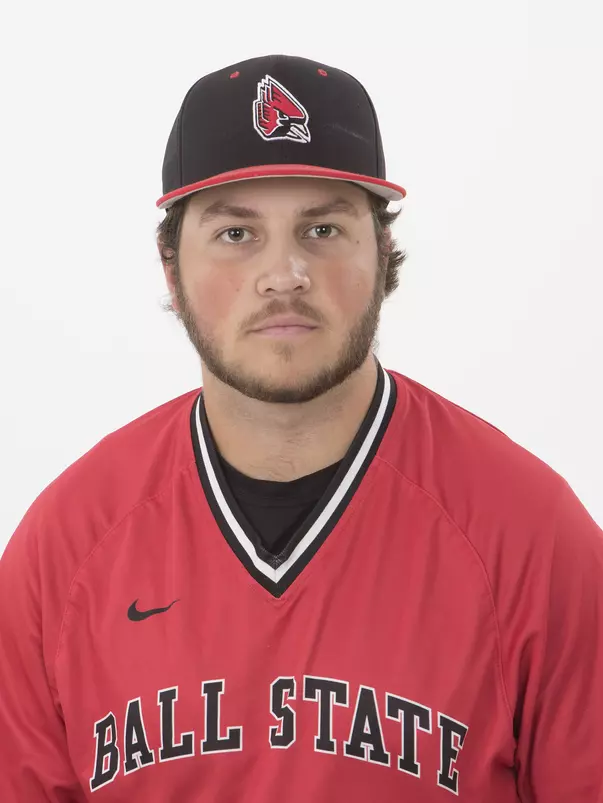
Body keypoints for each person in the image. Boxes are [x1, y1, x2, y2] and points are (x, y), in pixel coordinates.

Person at [0, 54, 601, 803]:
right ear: (169, 265)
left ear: (381, 253)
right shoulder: (65, 547)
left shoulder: (531, 537)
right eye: (235, 234)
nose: (284, 273)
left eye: (321, 227)